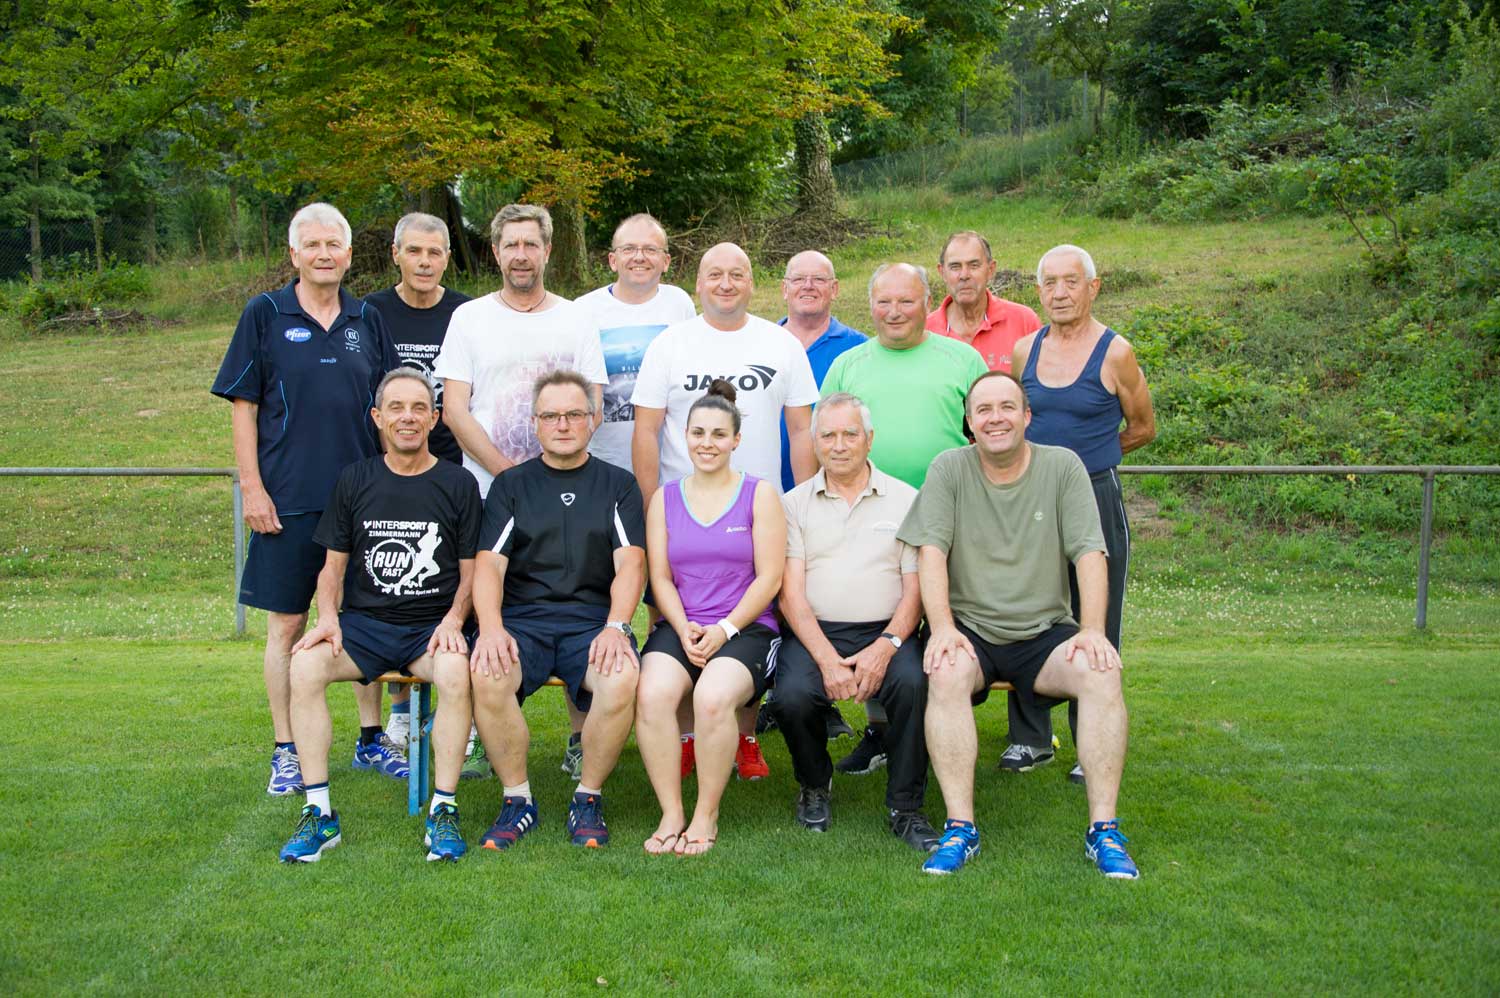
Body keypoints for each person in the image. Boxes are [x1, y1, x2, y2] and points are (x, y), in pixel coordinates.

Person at [897, 371, 1141, 879]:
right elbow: (931, 552)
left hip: (1044, 633)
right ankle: (960, 828)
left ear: (1027, 416)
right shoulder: (949, 468)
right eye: (983, 410)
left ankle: (1104, 830)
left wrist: (1092, 630)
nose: (996, 418)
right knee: (945, 672)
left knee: (1102, 674)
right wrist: (942, 627)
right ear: (969, 422)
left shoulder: (1063, 467)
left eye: (1007, 407)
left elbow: (1090, 553)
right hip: (971, 629)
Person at [211, 201, 401, 796]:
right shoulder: (265, 314)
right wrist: (252, 488)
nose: (324, 254)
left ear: (349, 255)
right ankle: (286, 750)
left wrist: (395, 488)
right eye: (312, 245)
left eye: (333, 244)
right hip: (287, 501)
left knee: (366, 619)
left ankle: (371, 738)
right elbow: (245, 407)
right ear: (294, 253)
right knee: (288, 625)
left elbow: (390, 407)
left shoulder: (367, 318)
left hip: (363, 504)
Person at [277, 369, 481, 862]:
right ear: (377, 417)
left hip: (430, 629)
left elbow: (473, 572)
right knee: (304, 666)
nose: (407, 418)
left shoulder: (458, 483)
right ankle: (318, 812)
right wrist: (327, 618)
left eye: (418, 408)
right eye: (396, 408)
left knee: (456, 673)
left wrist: (454, 621)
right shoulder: (354, 480)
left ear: (434, 419)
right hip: (365, 627)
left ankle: (444, 810)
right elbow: (333, 567)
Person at [631, 241, 818, 780]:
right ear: (697, 283)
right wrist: (651, 504)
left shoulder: (780, 344)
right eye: (715, 274)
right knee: (677, 622)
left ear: (753, 283)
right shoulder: (671, 344)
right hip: (683, 512)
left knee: (750, 620)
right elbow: (645, 430)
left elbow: (801, 430)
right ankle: (688, 737)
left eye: (738, 274)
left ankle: (745, 736)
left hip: (757, 511)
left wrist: (806, 504)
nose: (726, 283)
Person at [468, 370, 646, 850]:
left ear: (593, 419)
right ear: (535, 423)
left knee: (620, 676)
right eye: (550, 416)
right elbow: (489, 567)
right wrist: (490, 628)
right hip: (522, 623)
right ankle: (517, 800)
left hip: (592, 623)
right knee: (487, 672)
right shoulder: (511, 486)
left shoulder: (618, 485)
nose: (562, 425)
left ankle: (587, 797)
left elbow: (632, 564)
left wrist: (617, 626)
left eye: (573, 414)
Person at [1004, 244, 1157, 783]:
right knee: (1025, 611)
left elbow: (1143, 428)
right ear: (1038, 291)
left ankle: (1090, 740)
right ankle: (1030, 739)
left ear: (1094, 287)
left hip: (1094, 495)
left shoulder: (1116, 353)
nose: (1060, 293)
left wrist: (1088, 460)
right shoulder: (1025, 350)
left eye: (1071, 281)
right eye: (1049, 283)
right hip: (1030, 500)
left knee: (1097, 617)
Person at [771, 393, 939, 851]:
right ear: (815, 441)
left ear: (869, 439)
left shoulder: (906, 499)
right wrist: (827, 660)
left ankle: (906, 806)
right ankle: (814, 784)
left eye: (850, 434)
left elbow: (915, 589)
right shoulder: (793, 504)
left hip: (889, 630)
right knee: (791, 696)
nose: (839, 445)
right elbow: (790, 594)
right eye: (828, 435)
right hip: (815, 631)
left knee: (913, 686)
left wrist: (885, 646)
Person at [567, 213, 694, 779]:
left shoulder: (680, 306)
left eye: (651, 249)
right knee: (593, 597)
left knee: (670, 599)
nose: (640, 257)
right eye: (629, 248)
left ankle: (682, 728)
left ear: (666, 260)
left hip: (671, 475)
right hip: (599, 471)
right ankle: (582, 733)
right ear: (611, 258)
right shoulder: (584, 311)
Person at [635, 380, 786, 855]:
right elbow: (660, 577)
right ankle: (671, 812)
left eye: (719, 434)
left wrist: (724, 629)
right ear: (685, 435)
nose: (707, 443)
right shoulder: (664, 499)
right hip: (683, 625)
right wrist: (683, 628)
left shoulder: (759, 495)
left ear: (736, 439)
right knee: (653, 694)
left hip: (746, 627)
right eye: (698, 433)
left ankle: (705, 813)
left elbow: (770, 578)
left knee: (713, 697)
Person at [364, 212, 473, 756]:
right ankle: (399, 713)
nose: (425, 262)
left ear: (447, 258)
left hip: (454, 471)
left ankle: (462, 714)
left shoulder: (467, 314)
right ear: (396, 254)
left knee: (452, 583)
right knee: (392, 584)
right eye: (414, 251)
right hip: (392, 470)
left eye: (434, 252)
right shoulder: (371, 313)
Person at [434, 203, 607, 500]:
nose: (521, 255)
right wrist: (509, 476)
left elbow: (595, 407)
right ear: (496, 252)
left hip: (563, 488)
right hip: (490, 490)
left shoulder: (578, 318)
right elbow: (454, 410)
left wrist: (551, 473)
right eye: (511, 245)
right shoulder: (468, 318)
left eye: (531, 245)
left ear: (547, 251)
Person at [820, 263, 988, 489]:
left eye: (906, 302)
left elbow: (992, 433)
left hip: (950, 498)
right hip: (864, 501)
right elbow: (820, 438)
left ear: (928, 304)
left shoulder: (966, 360)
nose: (894, 312)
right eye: (883, 302)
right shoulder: (845, 366)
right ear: (871, 305)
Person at [926, 230, 1041, 373]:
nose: (964, 275)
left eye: (974, 265)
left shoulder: (1024, 322)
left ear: (991, 270)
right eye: (955, 267)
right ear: (942, 272)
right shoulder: (925, 331)